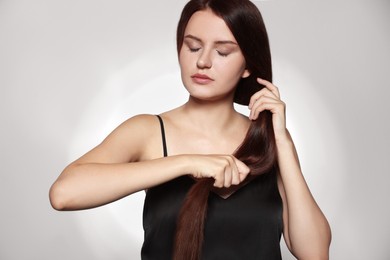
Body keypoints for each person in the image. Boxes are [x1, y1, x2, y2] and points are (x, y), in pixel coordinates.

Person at [49, 0, 331, 259]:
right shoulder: (147, 131)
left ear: (248, 65)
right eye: (193, 47)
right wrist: (188, 163)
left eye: (222, 51)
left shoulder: (269, 141)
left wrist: (282, 141)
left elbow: (315, 253)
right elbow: (63, 194)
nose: (203, 62)